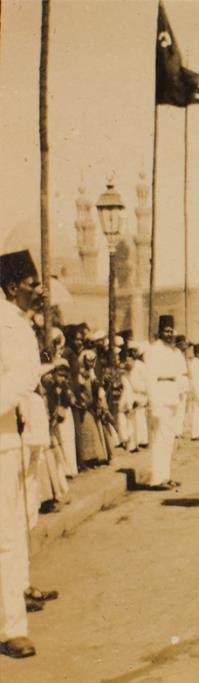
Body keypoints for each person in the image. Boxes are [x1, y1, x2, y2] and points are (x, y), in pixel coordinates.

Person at [0, 250, 45, 658]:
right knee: (6, 538)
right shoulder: (6, 323)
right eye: (32, 284)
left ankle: (11, 625)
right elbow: (19, 379)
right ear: (12, 287)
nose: (39, 290)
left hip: (6, 440)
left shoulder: (17, 323)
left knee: (10, 535)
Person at [143, 315, 187, 490]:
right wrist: (153, 404)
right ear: (160, 332)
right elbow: (150, 379)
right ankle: (156, 478)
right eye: (166, 331)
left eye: (171, 331)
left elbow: (180, 375)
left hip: (172, 396)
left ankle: (165, 476)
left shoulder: (174, 352)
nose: (169, 334)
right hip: (160, 397)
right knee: (158, 439)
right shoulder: (153, 351)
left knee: (168, 439)